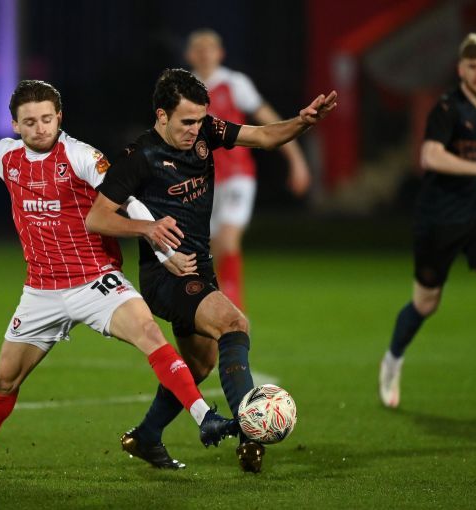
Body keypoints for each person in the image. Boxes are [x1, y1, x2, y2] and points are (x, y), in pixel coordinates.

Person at [0, 79, 238, 471]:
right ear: (15, 125)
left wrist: (165, 252)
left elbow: (129, 204)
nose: (40, 127)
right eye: (29, 122)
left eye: (47, 118)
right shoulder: (4, 155)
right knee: (2, 380)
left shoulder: (80, 155)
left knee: (148, 334)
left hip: (96, 279)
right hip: (41, 290)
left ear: (59, 117)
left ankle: (205, 417)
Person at [86, 68, 337, 472]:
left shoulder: (206, 132)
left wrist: (303, 121)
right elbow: (96, 219)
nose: (195, 130)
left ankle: (147, 436)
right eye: (187, 121)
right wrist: (147, 229)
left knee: (200, 365)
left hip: (199, 269)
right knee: (234, 323)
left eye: (200, 120)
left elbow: (265, 136)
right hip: (167, 276)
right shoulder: (139, 157)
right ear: (161, 116)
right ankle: (251, 433)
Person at [378, 30, 476, 411]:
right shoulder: (447, 108)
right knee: (426, 303)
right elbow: (430, 157)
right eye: (473, 66)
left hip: (475, 214)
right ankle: (392, 361)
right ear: (460, 69)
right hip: (438, 219)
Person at [185, 28, 312, 310]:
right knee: (212, 247)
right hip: (200, 181)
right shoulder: (182, 87)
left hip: (236, 176)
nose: (205, 54)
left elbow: (269, 124)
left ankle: (233, 309)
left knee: (228, 239)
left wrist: (297, 161)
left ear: (220, 54)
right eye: (199, 49)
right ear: (190, 55)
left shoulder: (234, 83)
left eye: (210, 48)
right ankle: (217, 307)